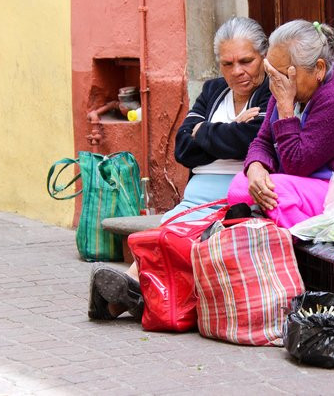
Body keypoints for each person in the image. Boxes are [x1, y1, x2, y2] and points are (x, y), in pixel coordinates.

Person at [88, 17, 271, 320]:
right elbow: (183, 148)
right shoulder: (214, 91)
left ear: (263, 56)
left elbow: (250, 140)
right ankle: (127, 297)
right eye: (227, 64)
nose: (237, 71)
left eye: (246, 61)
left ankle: (120, 298)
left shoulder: (269, 93)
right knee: (166, 230)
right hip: (194, 198)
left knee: (177, 236)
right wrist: (226, 129)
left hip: (236, 195)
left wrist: (205, 132)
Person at [227, 19, 334, 228]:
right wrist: (256, 168)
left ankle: (311, 242)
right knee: (240, 185)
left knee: (277, 193)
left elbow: (298, 164)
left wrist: (286, 110)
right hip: (312, 183)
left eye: (283, 73)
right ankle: (290, 222)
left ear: (319, 68)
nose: (275, 81)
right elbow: (263, 140)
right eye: (271, 73)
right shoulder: (285, 83)